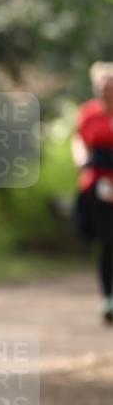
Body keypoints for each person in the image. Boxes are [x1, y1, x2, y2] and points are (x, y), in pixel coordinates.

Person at [71, 61, 113, 325]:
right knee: (108, 241)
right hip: (98, 182)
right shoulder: (88, 113)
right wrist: (82, 160)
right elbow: (79, 142)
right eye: (103, 85)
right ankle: (108, 296)